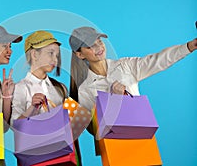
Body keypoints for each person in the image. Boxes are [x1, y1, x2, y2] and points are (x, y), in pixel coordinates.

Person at [69, 26, 197, 155]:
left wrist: (189, 47)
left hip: (143, 140)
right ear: (79, 54)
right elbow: (96, 129)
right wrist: (115, 99)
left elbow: (158, 60)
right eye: (90, 46)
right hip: (115, 150)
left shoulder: (126, 66)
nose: (99, 47)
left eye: (99, 42)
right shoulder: (85, 90)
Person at [11, 30, 82, 165]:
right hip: (37, 158)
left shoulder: (60, 88)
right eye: (50, 53)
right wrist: (32, 108)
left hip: (64, 157)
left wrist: (75, 116)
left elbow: (73, 126)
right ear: (34, 54)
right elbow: (15, 126)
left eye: (57, 55)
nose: (55, 59)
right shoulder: (20, 88)